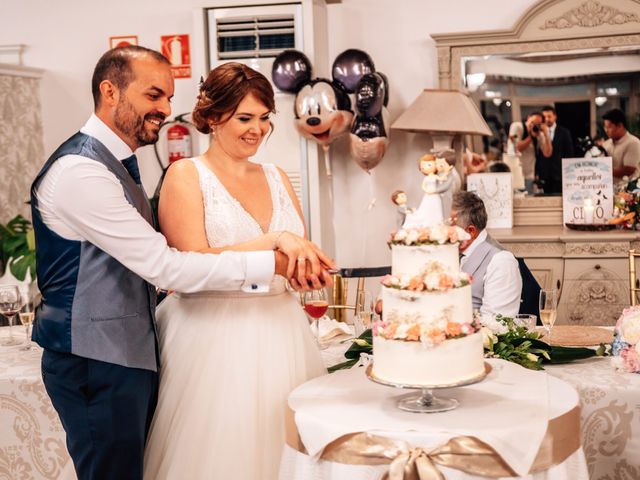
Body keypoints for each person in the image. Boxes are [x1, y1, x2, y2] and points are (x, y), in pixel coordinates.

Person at [30, 46, 333, 480]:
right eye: (154, 96)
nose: (166, 109)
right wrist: (275, 256)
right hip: (99, 357)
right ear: (109, 91)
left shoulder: (119, 163)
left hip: (146, 351)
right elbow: (170, 268)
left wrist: (298, 267)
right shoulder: (83, 171)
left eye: (170, 98)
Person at [143, 63, 329, 480]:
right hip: (212, 337)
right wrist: (274, 240)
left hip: (283, 332)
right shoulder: (186, 174)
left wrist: (307, 270)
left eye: (265, 119)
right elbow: (191, 260)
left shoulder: (278, 176)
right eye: (245, 118)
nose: (258, 130)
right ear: (212, 117)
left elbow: (291, 256)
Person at [451, 191, 522, 319]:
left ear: (470, 231)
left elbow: (496, 322)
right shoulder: (449, 252)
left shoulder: (501, 261)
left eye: (449, 228)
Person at [508, 111, 552, 193]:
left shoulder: (538, 134)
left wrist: (546, 134)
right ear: (528, 118)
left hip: (529, 176)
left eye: (537, 124)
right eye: (533, 122)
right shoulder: (518, 126)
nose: (534, 126)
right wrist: (531, 136)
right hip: (515, 175)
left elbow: (547, 153)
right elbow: (517, 149)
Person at [536, 105, 573, 194]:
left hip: (559, 174)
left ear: (555, 117)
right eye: (544, 117)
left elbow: (569, 153)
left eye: (549, 116)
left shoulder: (564, 132)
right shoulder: (538, 133)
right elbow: (537, 154)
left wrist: (568, 173)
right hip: (543, 175)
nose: (547, 119)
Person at [602, 108, 640, 182]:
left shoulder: (633, 143)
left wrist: (603, 171)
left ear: (620, 125)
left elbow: (628, 170)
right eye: (605, 127)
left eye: (609, 127)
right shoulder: (606, 144)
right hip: (609, 188)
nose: (606, 130)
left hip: (628, 190)